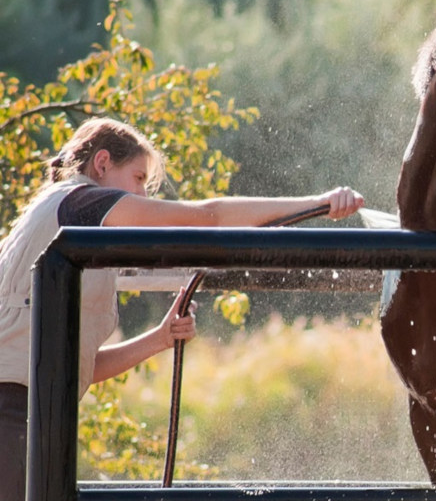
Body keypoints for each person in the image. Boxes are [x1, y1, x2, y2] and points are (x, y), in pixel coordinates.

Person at [0, 117, 363, 500]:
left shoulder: (66, 228)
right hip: (12, 417)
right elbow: (209, 216)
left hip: (33, 414)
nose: (141, 193)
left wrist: (159, 339)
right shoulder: (78, 202)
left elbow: (76, 365)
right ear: (102, 164)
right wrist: (318, 204)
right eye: (138, 178)